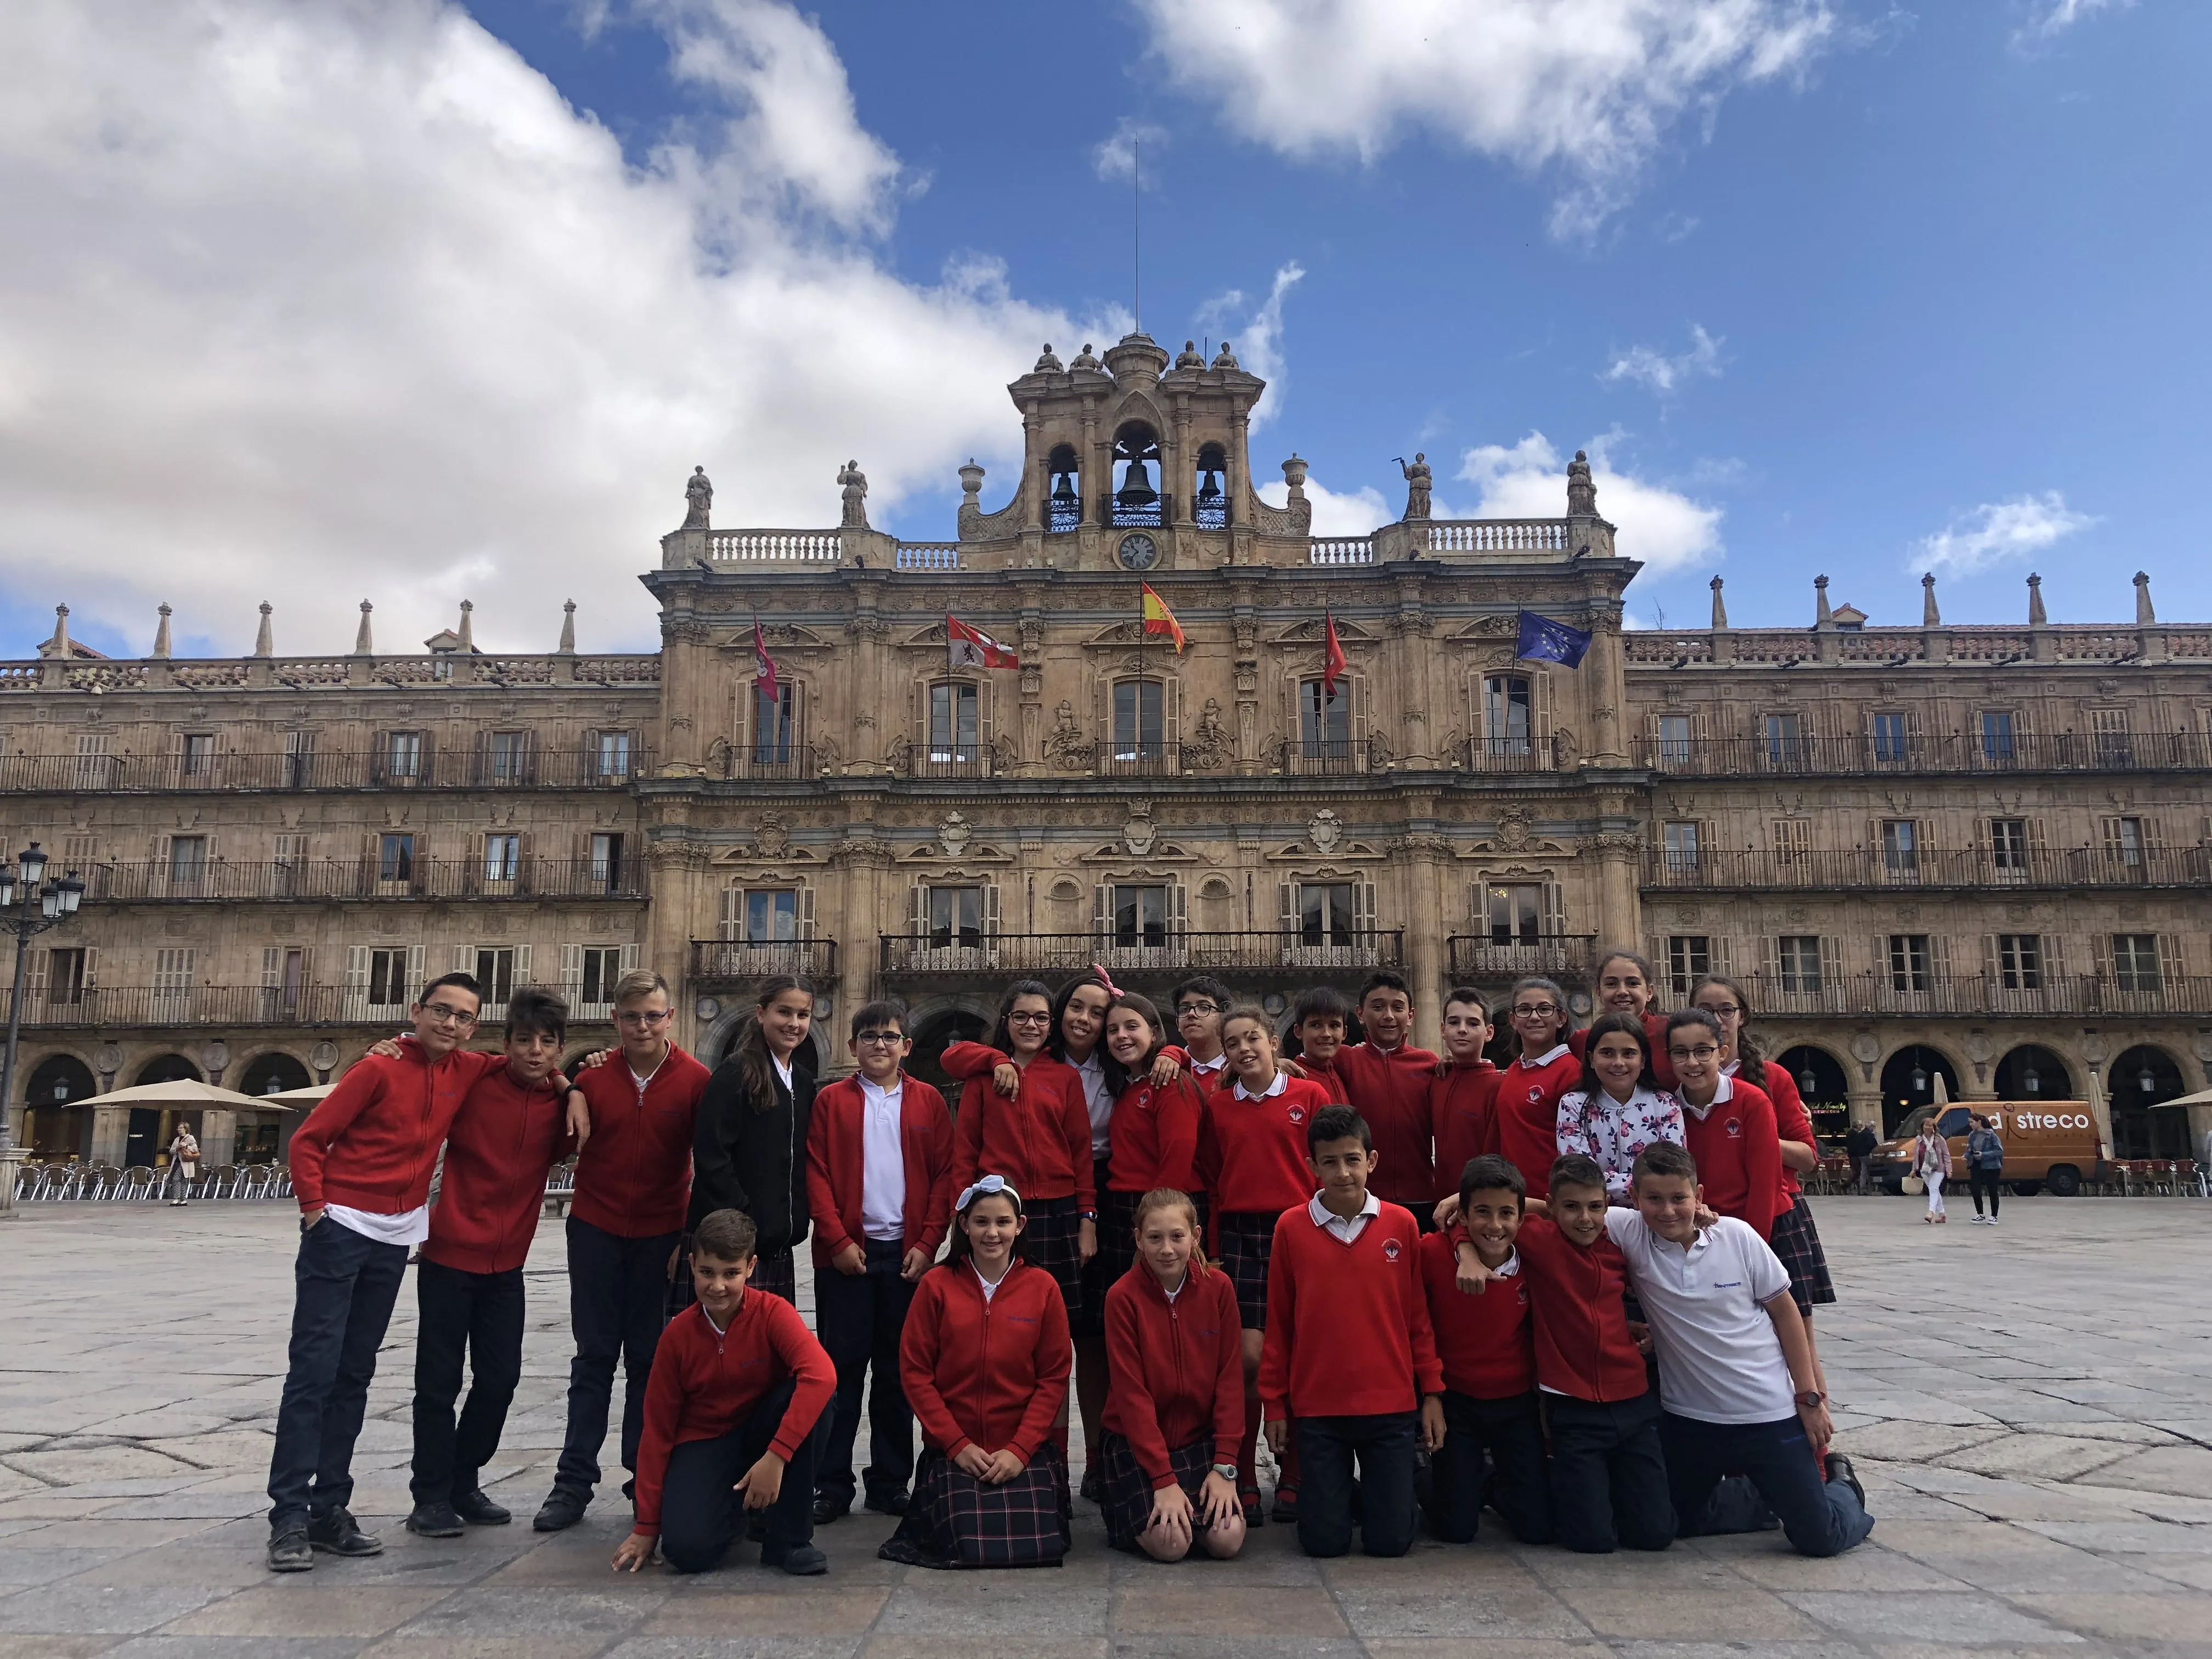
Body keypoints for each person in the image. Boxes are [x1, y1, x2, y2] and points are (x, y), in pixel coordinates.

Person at [266, 972, 483, 1572]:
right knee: (313, 1371)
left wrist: (574, 1080)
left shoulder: (467, 1069)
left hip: (394, 1237)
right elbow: (310, 1141)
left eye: (464, 1017)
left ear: (473, 1028)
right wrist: (315, 1213)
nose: (450, 1023)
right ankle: (287, 1515)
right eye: (441, 1010)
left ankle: (329, 1507)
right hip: (340, 1230)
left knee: (355, 1373)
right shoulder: (377, 1068)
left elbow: (529, 1069)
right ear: (416, 1011)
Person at [1605, 1142, 1874, 1558]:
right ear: (1635, 1199)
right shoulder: (1631, 1231)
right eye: (1654, 1199)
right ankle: (1762, 1498)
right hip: (1691, 1423)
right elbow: (1554, 1209)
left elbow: (1787, 1314)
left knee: (1819, 1539)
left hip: (1767, 1414)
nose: (1667, 1211)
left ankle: (1842, 1489)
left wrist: (1809, 1397)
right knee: (1661, 1525)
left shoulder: (1737, 1236)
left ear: (1699, 1195)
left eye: (1679, 1198)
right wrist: (1463, 1205)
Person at [396, 989, 577, 1537]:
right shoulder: (475, 1077)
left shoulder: (562, 1103)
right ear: (506, 1044)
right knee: (437, 1382)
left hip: (506, 1267)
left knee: (500, 1380)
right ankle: (429, 1496)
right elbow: (427, 1056)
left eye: (547, 1043)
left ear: (559, 1049)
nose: (534, 1052)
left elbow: (580, 1127)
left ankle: (462, 1479)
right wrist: (394, 1047)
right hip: (449, 1255)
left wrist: (573, 1087)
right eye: (524, 1041)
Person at [536, 969, 712, 1533]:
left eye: (653, 1015)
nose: (643, 1026)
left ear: (670, 1017)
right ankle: (572, 1483)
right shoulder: (594, 1079)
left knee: (647, 1360)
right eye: (632, 1016)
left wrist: (687, 1240)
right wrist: (569, 1088)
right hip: (595, 1229)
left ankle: (644, 1478)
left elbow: (707, 1166)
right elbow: (552, 1127)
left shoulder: (695, 1081)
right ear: (615, 1020)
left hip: (661, 1237)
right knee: (592, 1359)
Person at [1258, 1105, 1445, 1559]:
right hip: (1320, 1409)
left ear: (1372, 1161)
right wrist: (1275, 1405)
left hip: (1391, 1406)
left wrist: (1433, 1393)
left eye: (1352, 1159)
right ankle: (1343, 1497)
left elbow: (1417, 1317)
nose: (1343, 1173)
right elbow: (1280, 1321)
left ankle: (1400, 1487)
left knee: (1391, 1543)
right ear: (1312, 1167)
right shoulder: (1291, 1227)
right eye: (1330, 1162)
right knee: (1323, 1543)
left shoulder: (1401, 1224)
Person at [1463, 1152, 1673, 1555]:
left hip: (1632, 1403)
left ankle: (1750, 1498)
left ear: (1607, 1206)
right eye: (1572, 1208)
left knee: (1655, 1535)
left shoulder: (1619, 1248)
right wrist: (1465, 1245)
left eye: (1595, 1207)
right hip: (1574, 1410)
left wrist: (1702, 1215)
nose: (1585, 1219)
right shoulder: (1538, 1240)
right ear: (1552, 1206)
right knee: (1590, 1540)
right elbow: (1476, 1224)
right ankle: (1500, 1486)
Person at [612, 1209, 838, 1577]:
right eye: (707, 1273)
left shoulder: (773, 1313)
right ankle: (738, 1510)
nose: (718, 1286)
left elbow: (822, 1376)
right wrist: (646, 1528)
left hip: (762, 1434)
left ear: (751, 1267)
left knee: (817, 1398)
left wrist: (777, 1457)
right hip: (704, 1441)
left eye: (730, 1273)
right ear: (691, 1265)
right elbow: (656, 1433)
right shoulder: (676, 1337)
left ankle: (790, 1540)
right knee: (687, 1553)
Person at [803, 999, 955, 1523]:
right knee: (839, 1374)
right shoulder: (831, 1101)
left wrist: (929, 1242)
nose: (880, 1045)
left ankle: (890, 1482)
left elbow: (944, 1176)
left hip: (907, 1256)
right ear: (853, 1047)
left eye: (890, 1037)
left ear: (906, 1047)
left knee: (897, 1376)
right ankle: (831, 1483)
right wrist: (837, 1240)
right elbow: (817, 1174)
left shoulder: (930, 1101)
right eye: (869, 1037)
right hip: (848, 1257)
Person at [880, 1176, 1075, 1569]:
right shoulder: (935, 1286)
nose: (992, 1233)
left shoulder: (1044, 1288)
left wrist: (1020, 1451)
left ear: (1019, 1226)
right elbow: (916, 1374)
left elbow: (1054, 1378)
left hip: (1020, 1448)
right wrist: (956, 1445)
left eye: (1003, 1222)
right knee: (968, 1545)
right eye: (981, 1222)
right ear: (964, 1224)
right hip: (958, 1450)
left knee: (1037, 1546)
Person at [1198, 1005, 1335, 1524]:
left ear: (1273, 1041)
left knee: (1301, 1354)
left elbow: (1326, 1169)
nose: (1243, 1049)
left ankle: (1295, 1469)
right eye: (1232, 1043)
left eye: (1251, 1038)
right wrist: (1212, 1248)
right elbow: (1212, 1181)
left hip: (1299, 1227)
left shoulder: (1310, 1096)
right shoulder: (1219, 1108)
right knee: (1247, 1358)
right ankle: (1246, 1474)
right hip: (1241, 1234)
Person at [1099, 1188, 1247, 1560]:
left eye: (1177, 1236)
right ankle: (1133, 1510)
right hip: (1138, 1446)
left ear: (1195, 1236)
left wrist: (1226, 1465)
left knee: (1227, 1541)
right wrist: (1163, 1480)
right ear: (1138, 1239)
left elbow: (1230, 1379)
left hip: (1199, 1440)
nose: (1167, 1249)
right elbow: (1131, 1396)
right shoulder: (1122, 1298)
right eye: (1154, 1238)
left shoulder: (1219, 1289)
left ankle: (1190, 1511)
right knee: (1171, 1546)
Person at [942, 981, 1095, 1334]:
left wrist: (1087, 1218)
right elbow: (965, 1152)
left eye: (1041, 1018)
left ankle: (1052, 1391)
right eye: (1021, 1016)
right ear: (1006, 1020)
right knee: (1005, 1321)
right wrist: (958, 1212)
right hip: (1000, 1209)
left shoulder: (1066, 1077)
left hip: (1060, 1211)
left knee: (1058, 1325)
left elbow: (1080, 1152)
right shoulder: (982, 1078)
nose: (1031, 1025)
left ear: (1051, 1023)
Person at [1691, 974, 1836, 1345]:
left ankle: (1808, 1397)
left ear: (1743, 1016)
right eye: (1705, 1010)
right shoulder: (1684, 1078)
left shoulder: (1772, 1078)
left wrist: (1756, 1136)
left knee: (1793, 1333)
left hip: (1775, 1211)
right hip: (1709, 1216)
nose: (1717, 1018)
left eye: (1726, 1009)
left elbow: (1807, 1158)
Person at [1417, 1154, 1550, 1544]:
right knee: (1456, 1529)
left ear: (1523, 1218)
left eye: (1507, 1213)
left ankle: (1489, 1483)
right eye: (1482, 1212)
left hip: (1515, 1403)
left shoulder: (1534, 1255)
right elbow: (1417, 1324)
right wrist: (1432, 1394)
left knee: (1538, 1529)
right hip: (1457, 1400)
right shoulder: (1432, 1253)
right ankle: (1418, 1474)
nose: (1495, 1226)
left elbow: (1565, 1210)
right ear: (1463, 1215)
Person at [692, 976, 819, 1306]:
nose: (793, 1023)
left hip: (778, 1243)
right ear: (762, 1014)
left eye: (802, 1015)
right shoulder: (736, 1073)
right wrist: (745, 1219)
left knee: (767, 1350)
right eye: (784, 1013)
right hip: (735, 1247)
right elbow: (711, 1155)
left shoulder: (803, 1083)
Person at [1334, 971, 1442, 1223]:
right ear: (1360, 1014)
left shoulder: (1429, 1064)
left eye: (1397, 1007)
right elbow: (1308, 1066)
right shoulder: (1345, 1060)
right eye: (1378, 1007)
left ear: (1411, 1015)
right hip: (1362, 1197)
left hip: (1421, 1196)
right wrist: (1281, 1063)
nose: (1389, 1016)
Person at [1664, 1010, 1782, 1240]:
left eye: (1703, 1051)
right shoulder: (1667, 1108)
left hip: (1744, 1231)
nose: (1692, 1062)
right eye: (1680, 1053)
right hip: (1688, 1231)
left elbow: (1765, 1185)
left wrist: (1752, 1244)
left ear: (1722, 1054)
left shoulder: (1752, 1102)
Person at [1554, 1011, 1684, 1203]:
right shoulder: (1573, 1105)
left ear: (1643, 1060)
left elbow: (1672, 1172)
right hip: (1595, 1219)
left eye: (1629, 1053)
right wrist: (1646, 1188)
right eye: (1607, 1053)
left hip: (1653, 1217)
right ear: (1591, 1059)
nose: (1618, 1063)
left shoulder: (1665, 1105)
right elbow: (1579, 1175)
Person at [1494, 976, 1581, 1201]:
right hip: (1513, 1199)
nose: (1534, 1017)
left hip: (1551, 1202)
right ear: (1513, 1020)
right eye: (1524, 1009)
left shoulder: (1571, 1072)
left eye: (1544, 1009)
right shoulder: (1514, 1069)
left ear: (1561, 1018)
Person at [1428, 987, 1499, 1207]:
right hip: (1438, 1202)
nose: (1462, 1030)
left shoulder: (1499, 1086)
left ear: (1489, 1032)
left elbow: (1495, 1159)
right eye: (1454, 1022)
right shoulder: (1438, 1079)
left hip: (1477, 1205)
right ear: (1442, 1029)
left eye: (1473, 1023)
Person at [1570, 949, 1675, 1091]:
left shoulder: (1671, 1033)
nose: (1622, 992)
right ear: (1599, 993)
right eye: (1611, 984)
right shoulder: (1580, 1041)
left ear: (1649, 992)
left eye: (1632, 983)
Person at [1282, 985, 1353, 1103]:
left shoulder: (1343, 1073)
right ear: (1299, 1031)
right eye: (1316, 1025)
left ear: (1344, 1032)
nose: (1326, 1034)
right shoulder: (1290, 1079)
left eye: (1334, 1026)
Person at [1171, 975, 1234, 1089]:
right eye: (1184, 1009)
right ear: (1178, 1024)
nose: (1191, 1014)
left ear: (1223, 1018)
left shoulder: (1238, 1070)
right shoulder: (1169, 1070)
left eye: (1204, 1008)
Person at [1965, 1114, 2005, 1224]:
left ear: (1979, 1122)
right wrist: (1967, 1155)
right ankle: (1980, 1214)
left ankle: (1994, 1216)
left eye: (1972, 1122)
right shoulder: (1972, 1135)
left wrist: (1984, 1155)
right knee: (1975, 1189)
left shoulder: (1991, 1135)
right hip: (1976, 1164)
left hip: (1991, 1166)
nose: (1970, 1125)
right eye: (1970, 1122)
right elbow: (1970, 1148)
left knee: (1992, 1190)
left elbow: (1999, 1151)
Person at [1912, 1118, 1951, 1224]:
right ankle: (1942, 1214)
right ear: (1922, 1127)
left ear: (1934, 1128)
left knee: (1933, 1189)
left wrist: (1949, 1169)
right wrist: (1914, 1169)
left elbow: (1946, 1154)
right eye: (1926, 1125)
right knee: (1935, 1191)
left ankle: (1931, 1213)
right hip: (1924, 1169)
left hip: (1938, 1168)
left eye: (1930, 1126)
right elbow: (1916, 1155)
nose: (1928, 1127)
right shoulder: (1919, 1139)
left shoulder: (1939, 1139)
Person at [165, 1122, 200, 1205]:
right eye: (178, 1128)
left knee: (176, 1179)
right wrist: (177, 1148)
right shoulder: (177, 1139)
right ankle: (183, 1200)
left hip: (185, 1162)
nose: (179, 1130)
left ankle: (176, 1198)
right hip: (176, 1161)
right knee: (181, 1180)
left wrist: (186, 1146)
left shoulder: (190, 1138)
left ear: (186, 1129)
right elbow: (171, 1151)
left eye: (181, 1128)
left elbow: (195, 1149)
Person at [1847, 1120, 1879, 1195]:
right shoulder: (1869, 1134)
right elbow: (1873, 1145)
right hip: (1867, 1155)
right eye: (1874, 1127)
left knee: (1863, 1172)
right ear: (1871, 1127)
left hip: (1861, 1156)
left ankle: (1863, 1189)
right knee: (1871, 1171)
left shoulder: (1860, 1134)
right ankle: (1872, 1187)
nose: (1874, 1129)